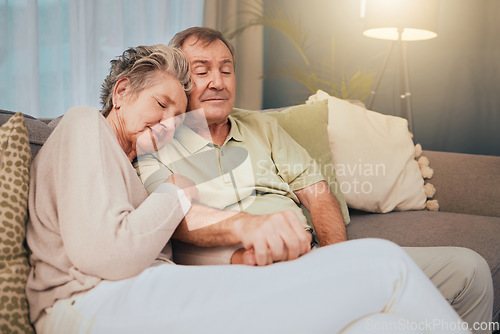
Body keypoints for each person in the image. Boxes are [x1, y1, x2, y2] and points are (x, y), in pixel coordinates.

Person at [26, 44, 470, 334]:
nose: (166, 127)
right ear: (121, 91)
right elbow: (107, 254)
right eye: (160, 106)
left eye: (175, 119)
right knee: (384, 262)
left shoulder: (135, 160)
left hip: (148, 293)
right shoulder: (85, 124)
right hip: (88, 306)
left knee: (379, 327)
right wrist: (177, 193)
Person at [134, 27, 494, 334]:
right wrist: (251, 231)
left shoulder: (264, 128)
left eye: (226, 70)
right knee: (384, 323)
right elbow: (174, 219)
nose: (218, 82)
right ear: (179, 82)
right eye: (202, 71)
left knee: (470, 269)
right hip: (243, 273)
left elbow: (318, 192)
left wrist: (338, 263)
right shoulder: (159, 140)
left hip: (312, 259)